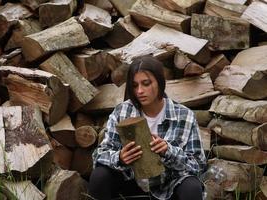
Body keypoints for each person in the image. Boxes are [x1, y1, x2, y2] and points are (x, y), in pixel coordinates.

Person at [88, 56, 207, 200]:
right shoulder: (122, 112)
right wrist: (120, 158)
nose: (139, 91)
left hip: (168, 186)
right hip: (131, 181)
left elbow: (198, 165)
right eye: (135, 85)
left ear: (160, 82)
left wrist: (169, 151)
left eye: (146, 83)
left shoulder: (184, 115)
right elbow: (99, 155)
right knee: (99, 176)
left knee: (192, 187)